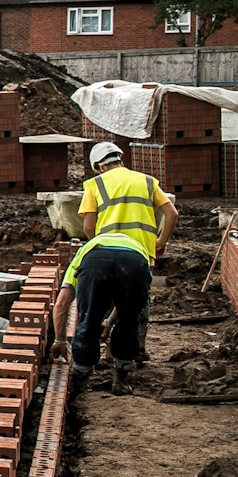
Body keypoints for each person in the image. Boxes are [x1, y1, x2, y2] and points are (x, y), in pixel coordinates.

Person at [57, 141, 177, 392]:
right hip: (139, 253)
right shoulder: (147, 181)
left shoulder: (95, 184)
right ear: (121, 159)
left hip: (100, 254)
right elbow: (172, 213)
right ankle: (124, 368)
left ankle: (82, 375)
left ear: (99, 166)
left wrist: (96, 247)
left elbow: (89, 227)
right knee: (132, 312)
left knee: (91, 316)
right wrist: (161, 242)